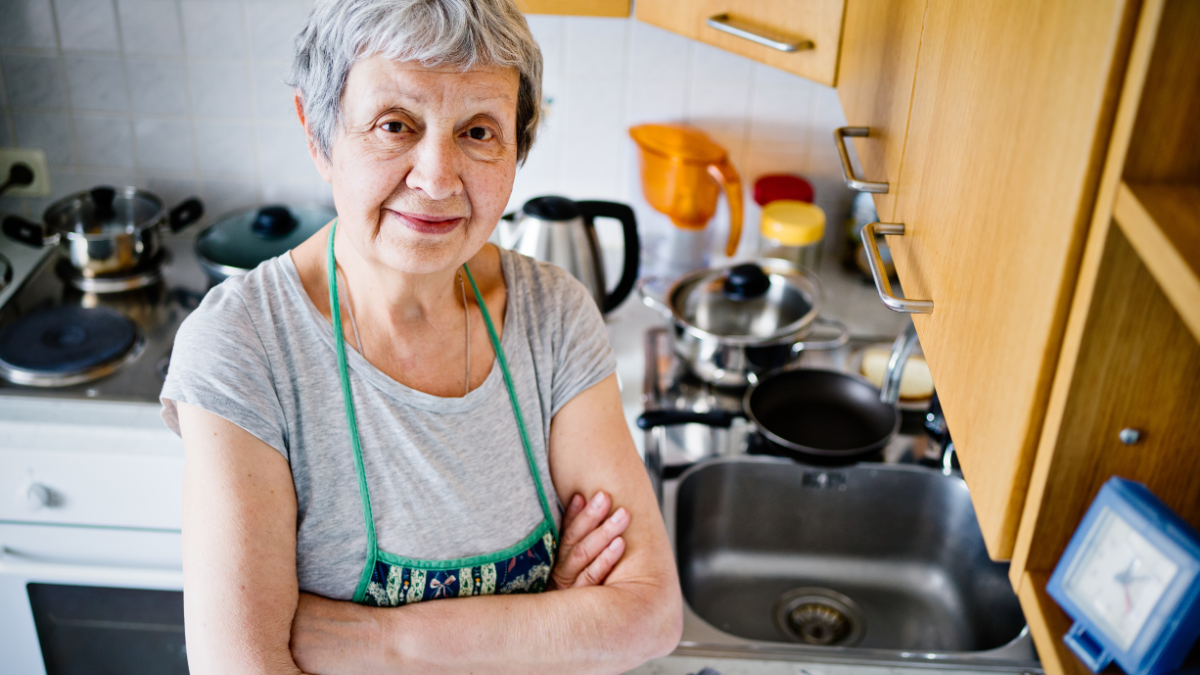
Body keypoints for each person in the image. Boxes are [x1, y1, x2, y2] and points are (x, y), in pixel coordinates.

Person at [159, 0, 682, 672]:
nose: (436, 178)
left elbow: (647, 614)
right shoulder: (244, 346)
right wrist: (550, 621)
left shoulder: (554, 314)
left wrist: (383, 643)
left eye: (478, 132)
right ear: (318, 136)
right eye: (395, 124)